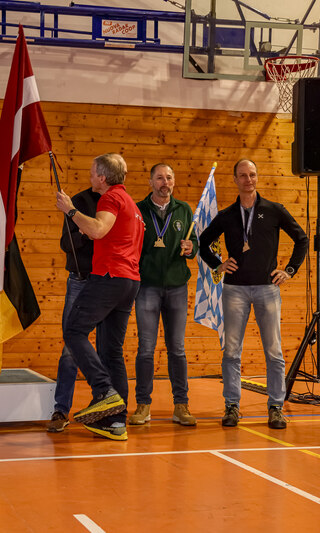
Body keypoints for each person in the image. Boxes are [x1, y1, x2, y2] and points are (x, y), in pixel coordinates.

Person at [198, 159, 308, 429]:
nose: (248, 180)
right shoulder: (226, 215)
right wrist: (218, 264)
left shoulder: (274, 210)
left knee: (274, 351)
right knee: (231, 352)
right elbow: (203, 242)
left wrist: (290, 270)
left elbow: (302, 239)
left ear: (257, 178)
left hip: (267, 289)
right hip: (234, 290)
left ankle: (276, 407)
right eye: (243, 175)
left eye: (252, 175)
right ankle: (232, 405)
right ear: (235, 180)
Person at [55, 153, 144, 441]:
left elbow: (97, 230)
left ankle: (104, 390)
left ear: (103, 177)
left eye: (93, 172)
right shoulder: (131, 204)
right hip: (129, 282)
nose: (90, 176)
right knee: (111, 351)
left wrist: (70, 210)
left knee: (73, 330)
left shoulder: (111, 198)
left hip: (110, 277)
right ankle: (116, 422)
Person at [129, 163, 199, 427]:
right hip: (147, 287)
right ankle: (143, 405)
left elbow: (195, 243)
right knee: (146, 349)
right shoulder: (138, 210)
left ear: (174, 181)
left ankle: (181, 405)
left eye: (169, 178)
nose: (165, 182)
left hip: (177, 287)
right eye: (159, 178)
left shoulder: (184, 210)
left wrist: (191, 248)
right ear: (150, 182)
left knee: (177, 349)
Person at [47, 187, 104, 432]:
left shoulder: (118, 201)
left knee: (106, 347)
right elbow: (66, 243)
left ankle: (102, 407)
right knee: (71, 346)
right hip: (80, 280)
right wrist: (85, 235)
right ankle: (61, 409)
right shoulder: (79, 200)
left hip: (107, 282)